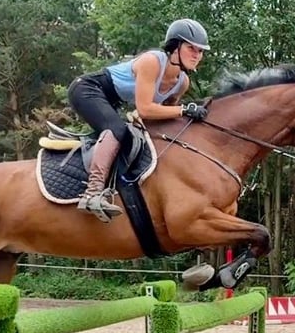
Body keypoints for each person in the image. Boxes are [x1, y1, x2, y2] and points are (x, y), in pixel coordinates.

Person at [67, 18, 211, 222]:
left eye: (201, 51)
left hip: (111, 102)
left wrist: (190, 115)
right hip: (87, 89)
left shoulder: (182, 82)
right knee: (118, 130)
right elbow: (144, 109)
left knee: (133, 138)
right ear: (175, 47)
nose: (197, 55)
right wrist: (185, 110)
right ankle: (92, 194)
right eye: (191, 48)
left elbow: (164, 115)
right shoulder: (152, 61)